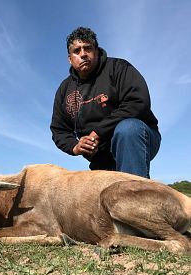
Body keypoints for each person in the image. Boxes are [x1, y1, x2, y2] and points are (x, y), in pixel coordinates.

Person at [50, 27, 161, 178]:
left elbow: (137, 102)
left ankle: (134, 191)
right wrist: (75, 146)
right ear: (70, 59)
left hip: (138, 139)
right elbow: (59, 130)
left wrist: (97, 133)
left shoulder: (119, 68)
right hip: (100, 157)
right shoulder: (64, 89)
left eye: (88, 48)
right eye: (77, 51)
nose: (83, 54)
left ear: (96, 51)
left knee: (128, 129)